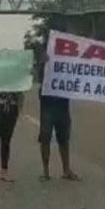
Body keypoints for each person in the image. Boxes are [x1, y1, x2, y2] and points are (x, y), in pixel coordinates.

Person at [37, 24, 79, 182]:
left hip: (62, 101)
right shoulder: (44, 54)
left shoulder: (67, 56)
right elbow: (39, 76)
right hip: (48, 102)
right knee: (46, 137)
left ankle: (66, 170)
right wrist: (42, 63)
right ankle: (46, 171)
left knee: (63, 137)